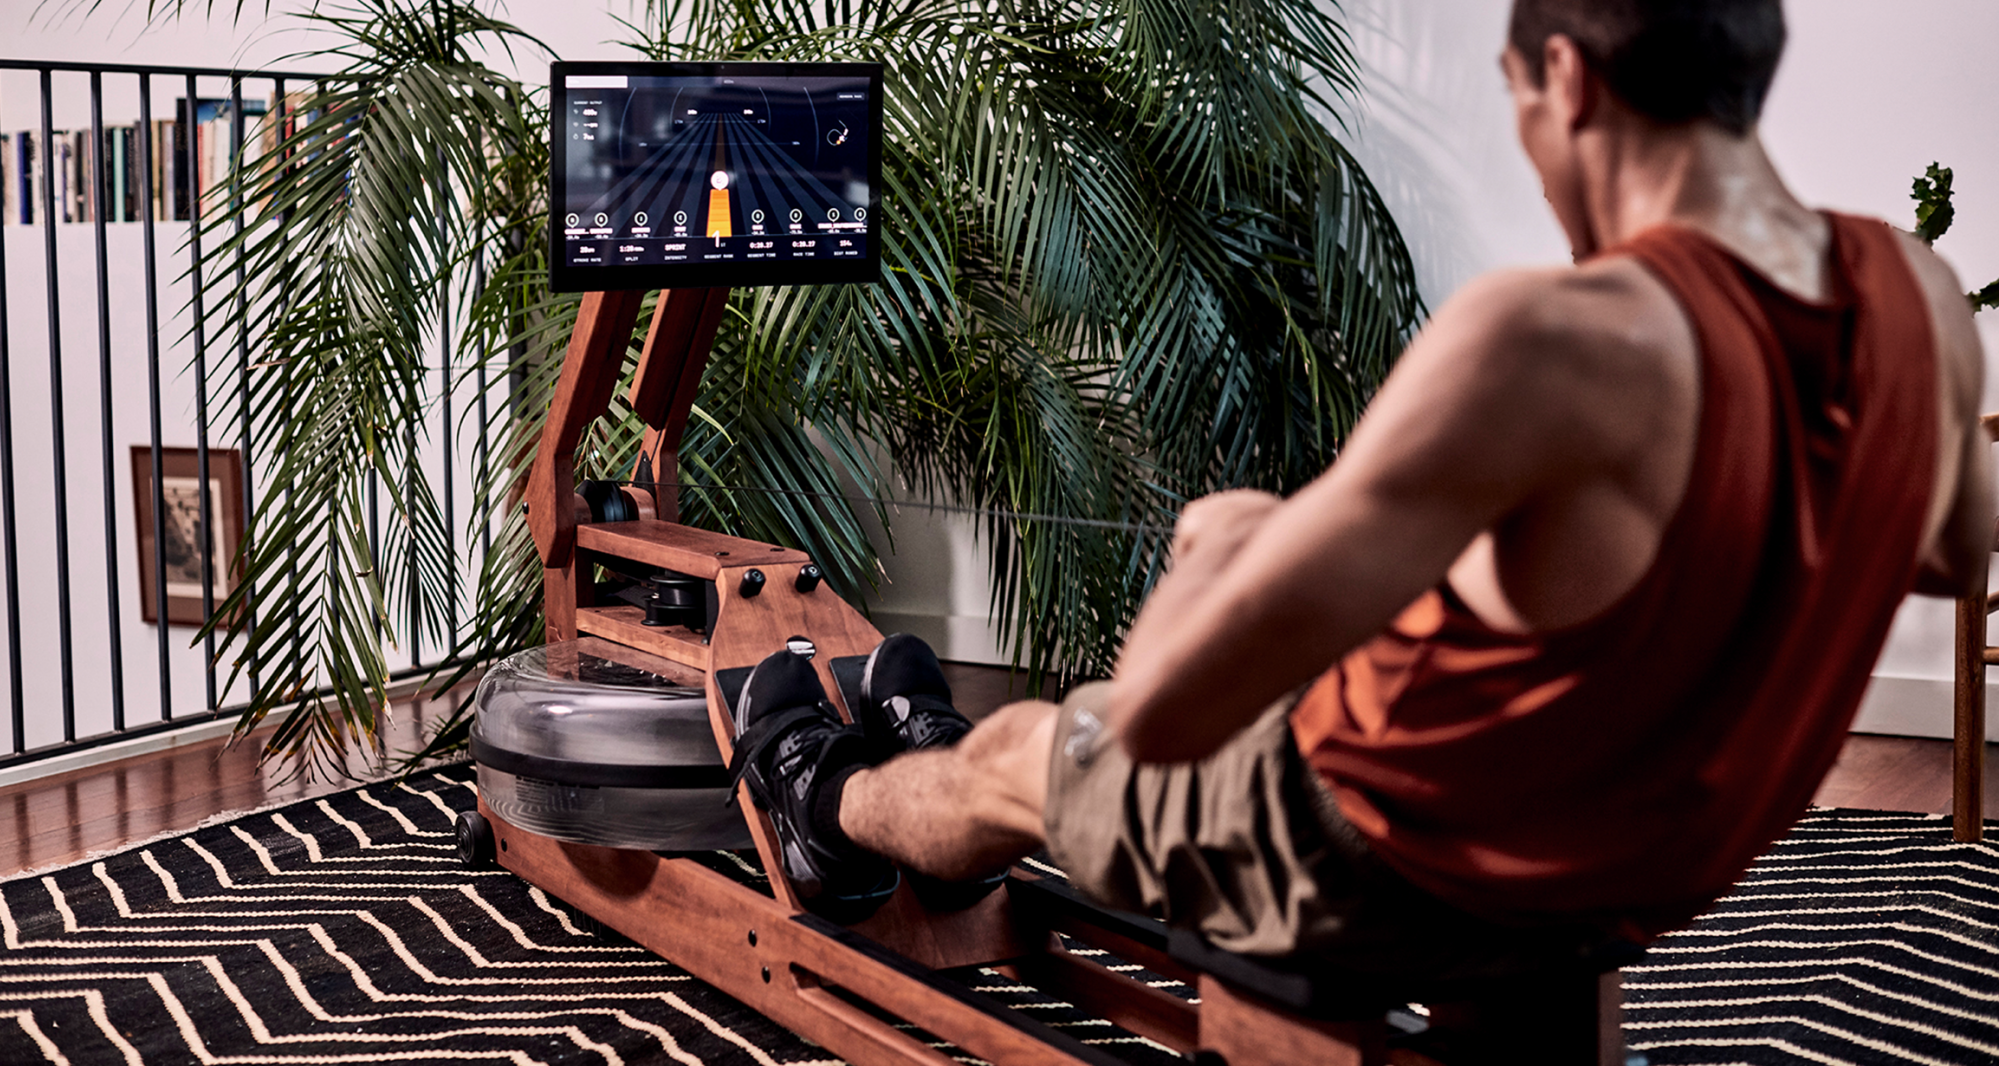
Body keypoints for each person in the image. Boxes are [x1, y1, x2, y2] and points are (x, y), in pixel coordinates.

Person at [729, 0, 1993, 962]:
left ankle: (829, 801)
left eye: (1515, 103)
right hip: (1655, 858)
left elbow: (1159, 715)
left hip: (1393, 860)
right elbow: (1947, 544)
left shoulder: (1556, 339)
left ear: (1562, 76)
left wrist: (1226, 553)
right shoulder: (1916, 303)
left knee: (1030, 739)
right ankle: (935, 797)